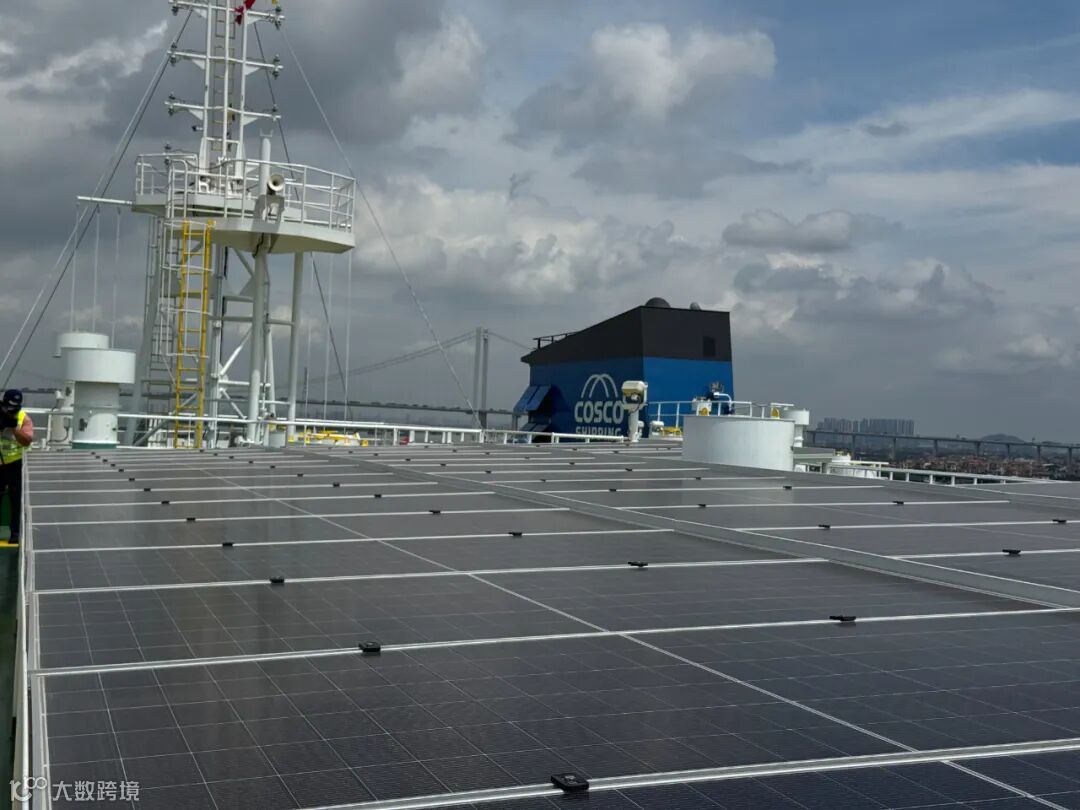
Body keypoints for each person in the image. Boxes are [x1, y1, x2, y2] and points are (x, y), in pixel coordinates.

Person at [0, 389, 33, 545]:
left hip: (16, 464)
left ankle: (15, 533)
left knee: (16, 499)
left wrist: (13, 427)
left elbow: (27, 440)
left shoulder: (23, 418)